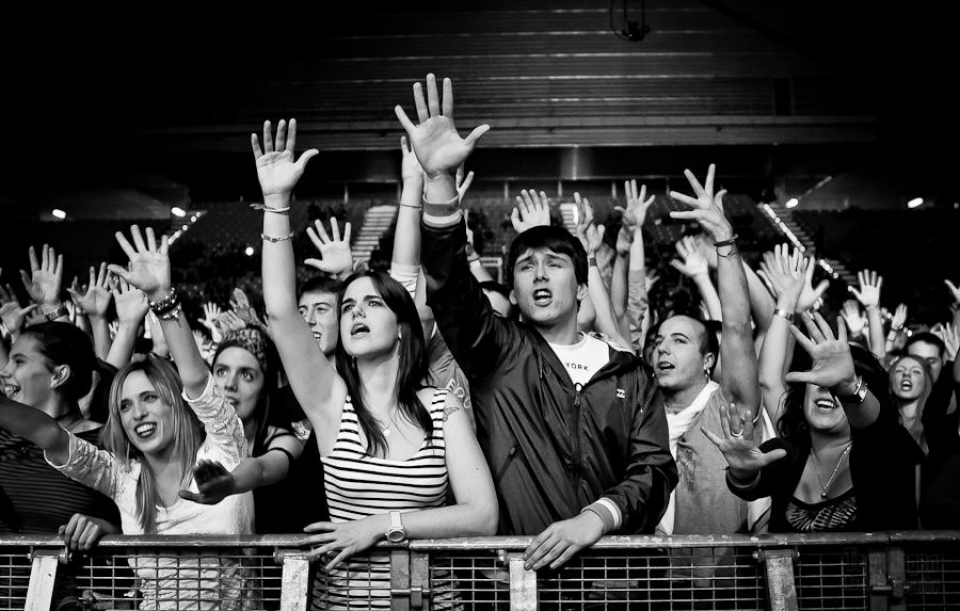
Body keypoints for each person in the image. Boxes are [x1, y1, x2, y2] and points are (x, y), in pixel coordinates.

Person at [399, 73, 676, 572]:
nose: (540, 273)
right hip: (511, 583)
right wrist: (439, 185)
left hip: (613, 587)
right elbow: (449, 288)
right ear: (515, 293)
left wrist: (597, 517)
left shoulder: (629, 373)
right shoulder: (498, 351)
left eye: (555, 263)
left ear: (581, 283)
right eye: (526, 266)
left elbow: (655, 469)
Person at [255, 117, 497, 609]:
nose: (356, 313)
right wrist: (277, 205)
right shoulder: (329, 402)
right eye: (347, 307)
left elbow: (481, 516)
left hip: (430, 603)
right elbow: (281, 311)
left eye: (372, 304)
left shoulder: (442, 408)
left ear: (403, 326)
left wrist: (380, 527)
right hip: (343, 604)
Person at [4, 226, 254, 610]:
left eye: (150, 398)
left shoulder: (222, 448)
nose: (137, 413)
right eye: (124, 405)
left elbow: (197, 380)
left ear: (176, 403)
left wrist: (161, 298)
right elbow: (50, 434)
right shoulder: (123, 478)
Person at [710, 312, 918, 531]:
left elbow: (879, 427)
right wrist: (742, 474)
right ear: (803, 395)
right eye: (818, 378)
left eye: (836, 383)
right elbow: (750, 487)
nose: (826, 388)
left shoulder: (882, 450)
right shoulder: (785, 453)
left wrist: (848, 387)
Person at [649, 164, 764, 536]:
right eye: (658, 341)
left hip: (718, 588)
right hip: (652, 585)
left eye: (679, 341)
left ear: (708, 361)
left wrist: (723, 240)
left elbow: (735, 328)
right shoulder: (639, 411)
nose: (662, 349)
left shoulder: (728, 408)